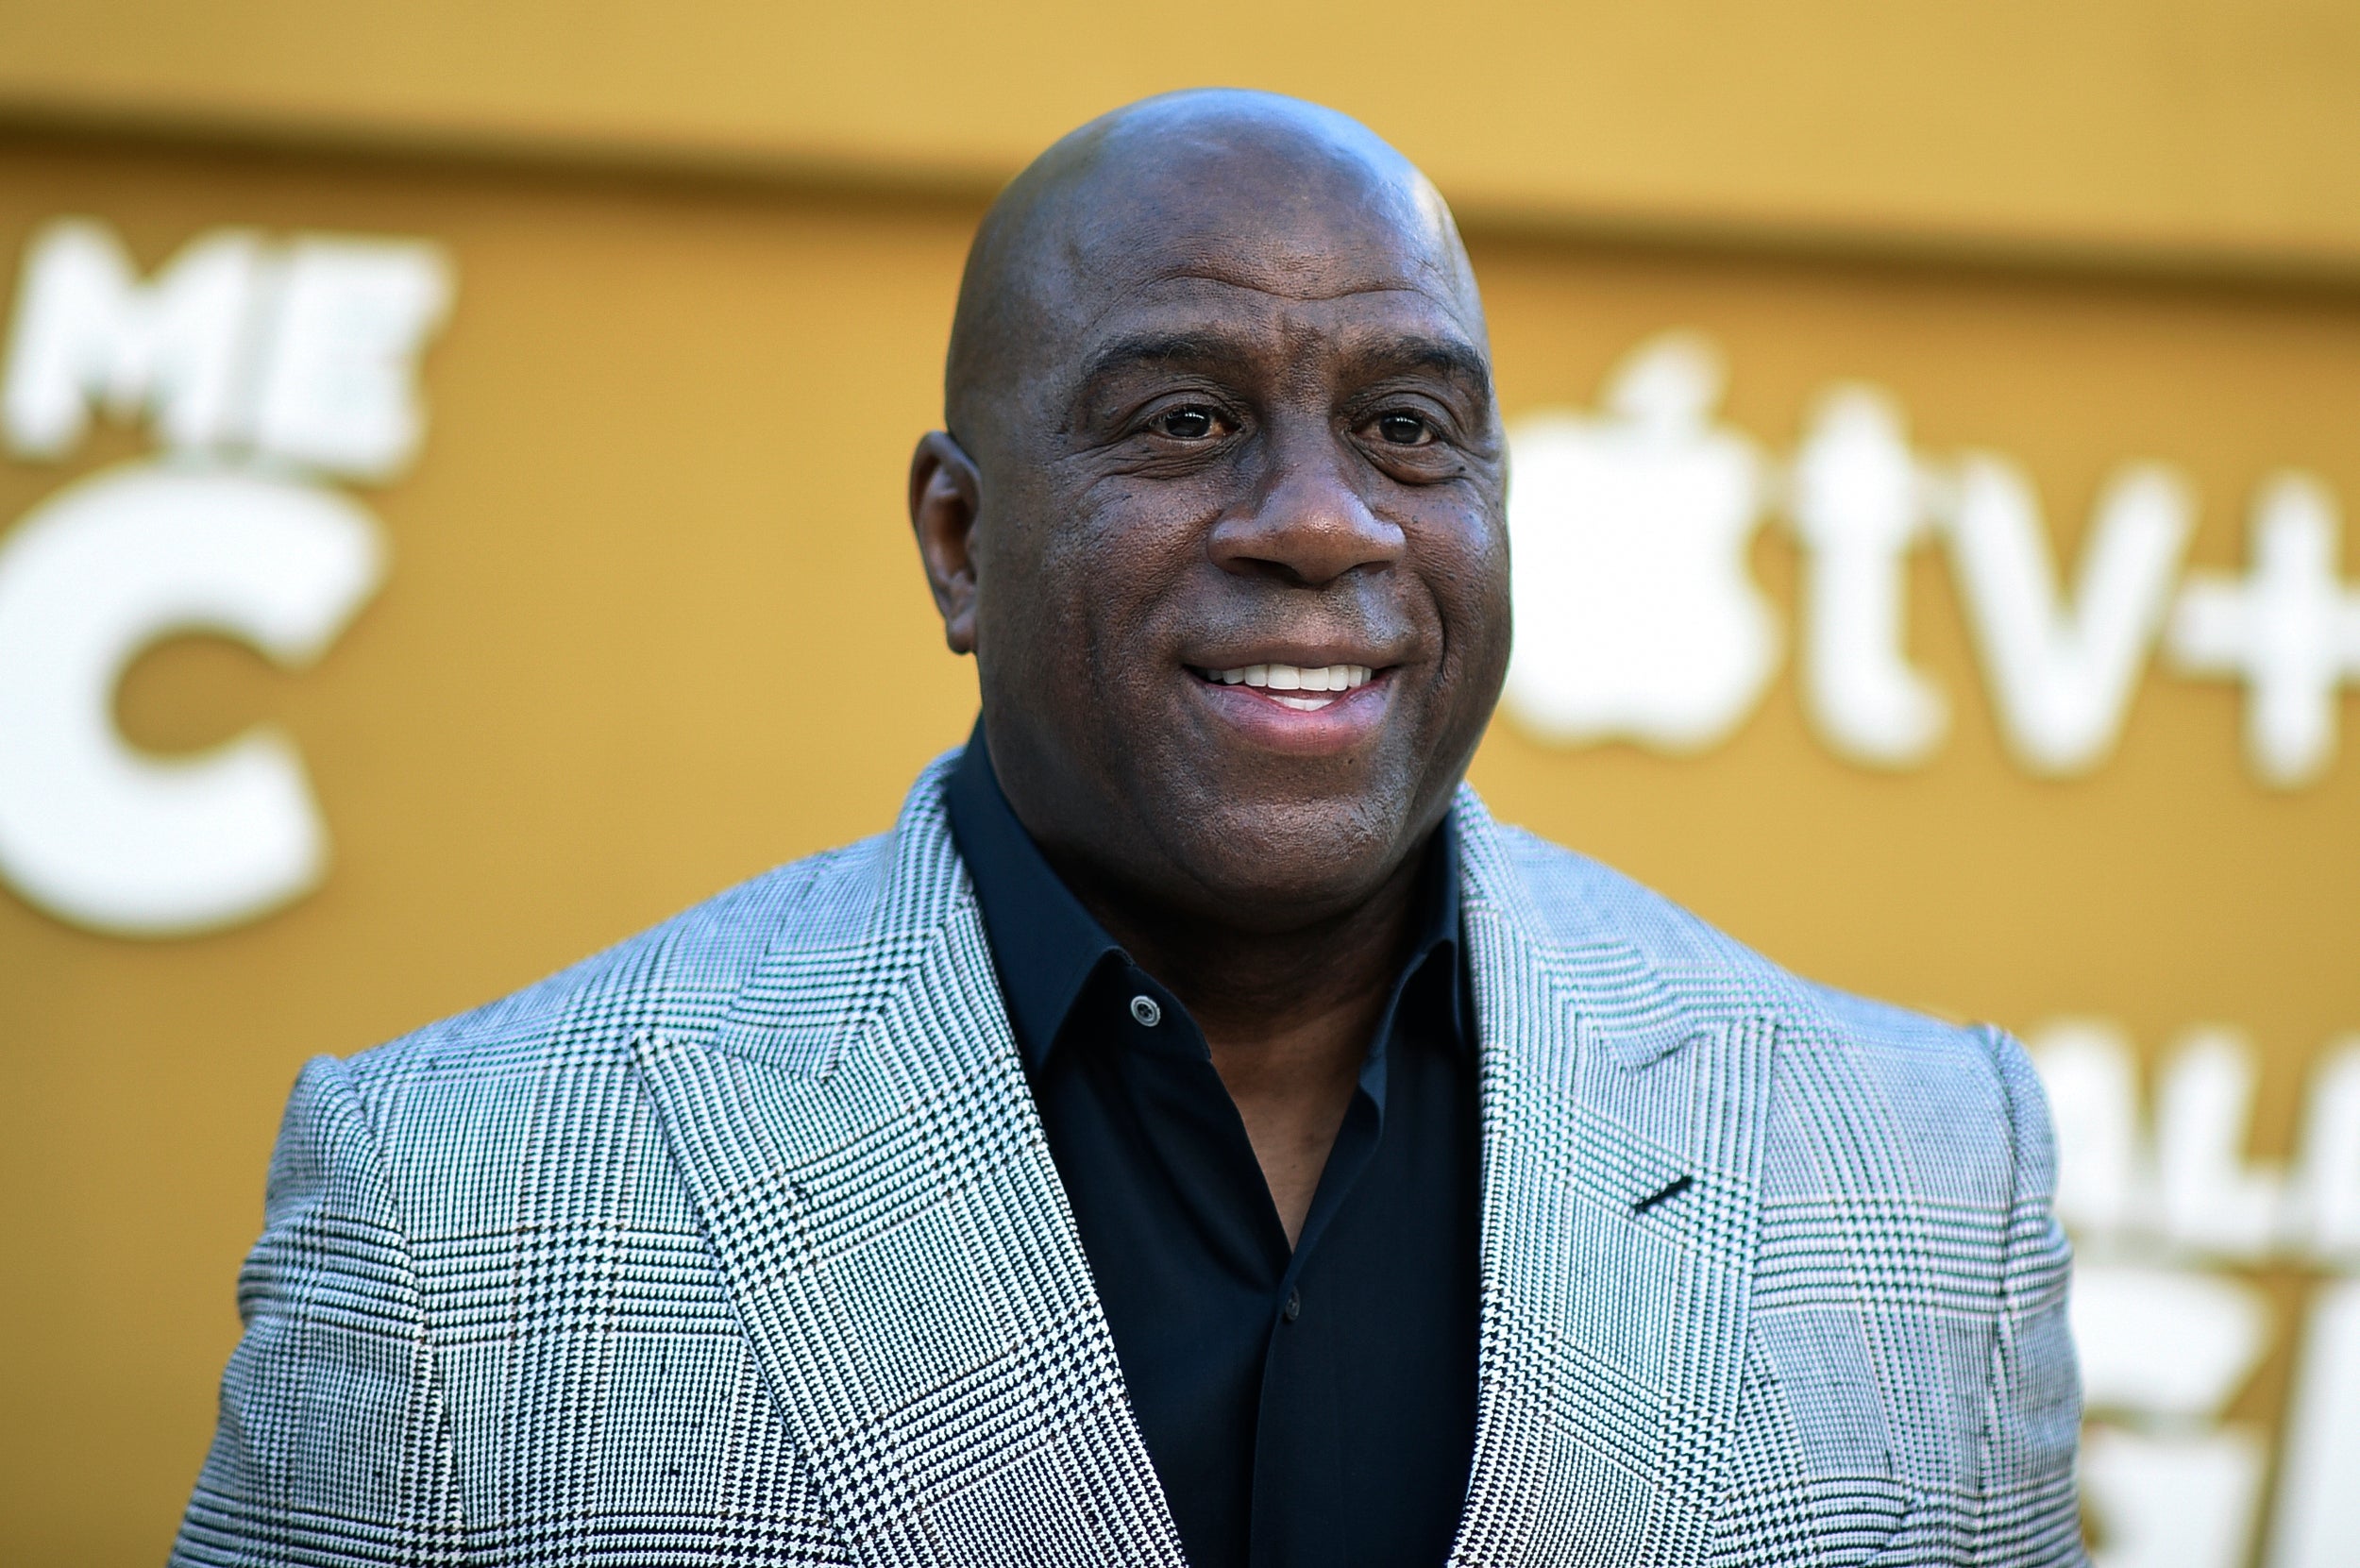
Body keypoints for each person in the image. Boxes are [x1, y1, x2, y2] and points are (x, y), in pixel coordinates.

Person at [173, 90, 2084, 1568]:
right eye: (1182, 422)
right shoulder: (455, 1207)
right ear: (957, 539)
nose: (1322, 520)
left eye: (1412, 429)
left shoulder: (1924, 1183)